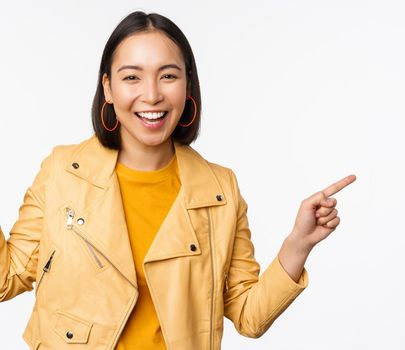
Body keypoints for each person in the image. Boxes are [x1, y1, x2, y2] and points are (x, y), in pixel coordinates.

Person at [0, 11, 355, 349]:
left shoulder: (220, 190)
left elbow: (249, 317)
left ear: (188, 86)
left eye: (168, 76)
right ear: (108, 88)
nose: (152, 94)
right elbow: (8, 277)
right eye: (131, 77)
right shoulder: (62, 170)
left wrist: (298, 243)